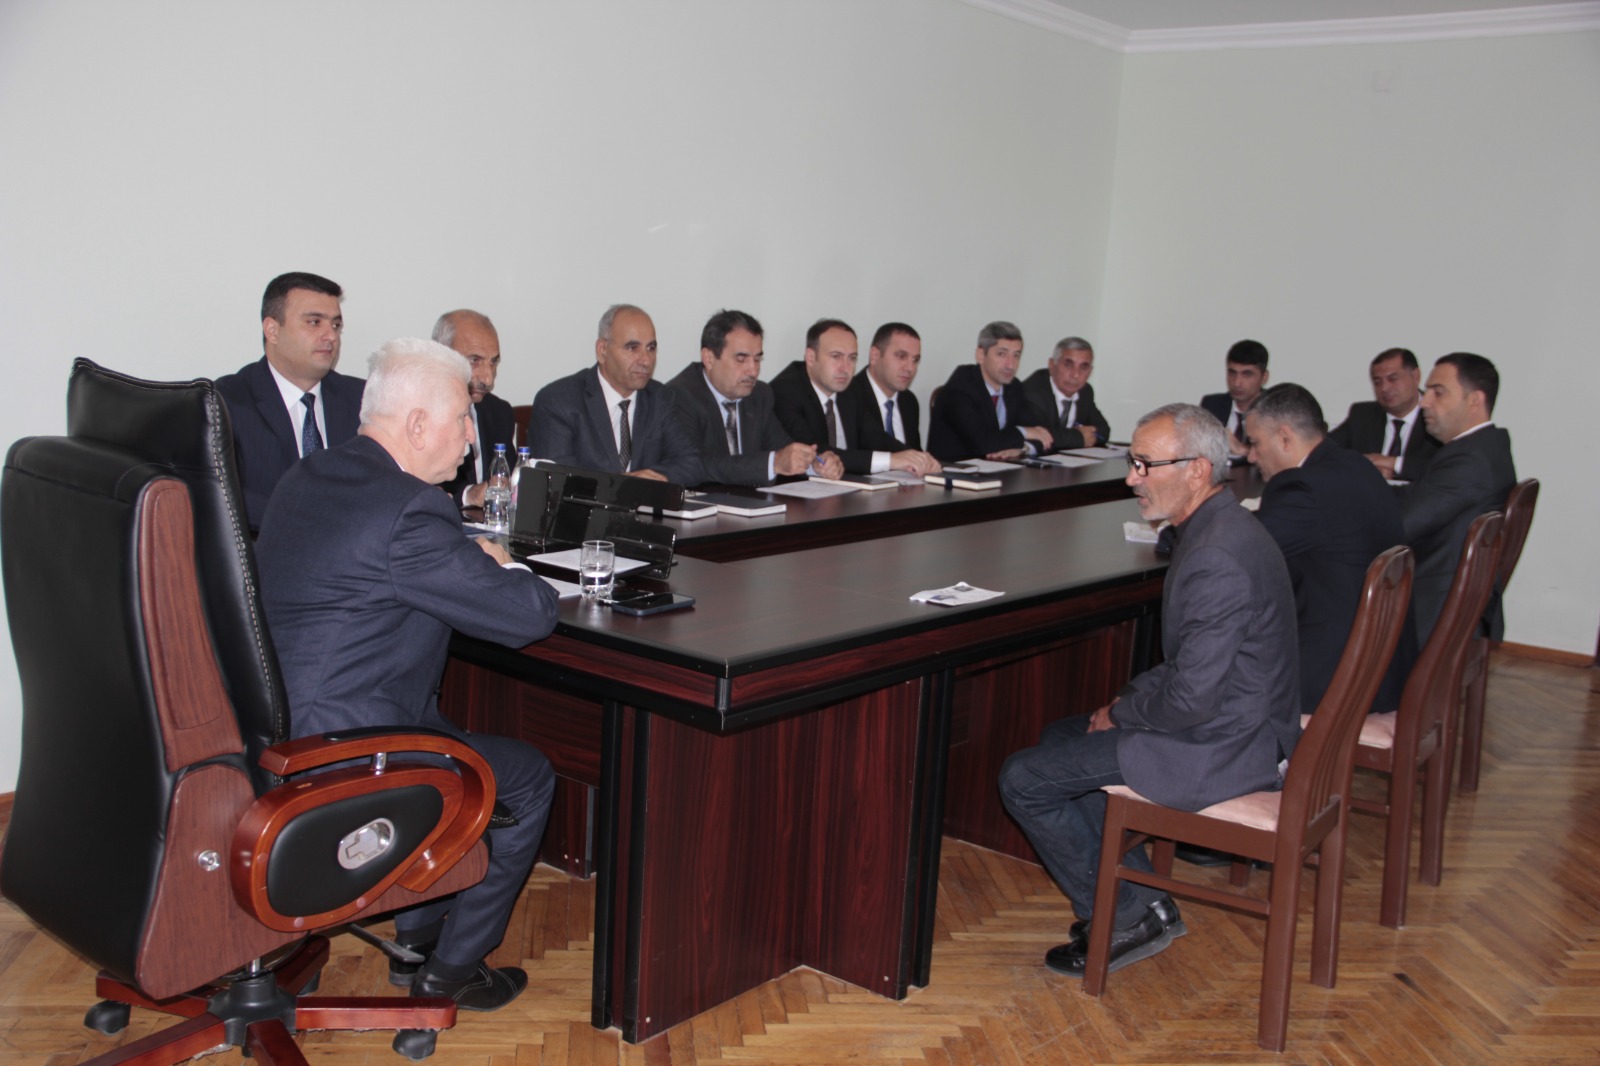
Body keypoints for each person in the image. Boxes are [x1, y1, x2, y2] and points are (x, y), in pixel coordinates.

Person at [255, 337, 560, 1011]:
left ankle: (420, 935)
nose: (470, 440)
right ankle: (451, 973)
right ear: (418, 425)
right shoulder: (408, 510)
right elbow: (528, 617)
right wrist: (504, 563)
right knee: (528, 776)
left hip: (276, 733)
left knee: (443, 731)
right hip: (345, 755)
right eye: (462, 421)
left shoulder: (309, 475)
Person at [999, 402, 1299, 977]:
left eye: (1144, 465)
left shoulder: (1216, 555)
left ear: (1197, 470)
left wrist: (1125, 713)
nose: (1131, 478)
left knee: (1023, 779)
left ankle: (1125, 918)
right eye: (1132, 462)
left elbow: (1191, 699)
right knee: (1062, 738)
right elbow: (1194, 665)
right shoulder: (1221, 527)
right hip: (1234, 721)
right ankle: (1145, 902)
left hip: (1224, 745)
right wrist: (1124, 704)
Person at [1246, 384, 1414, 718]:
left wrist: (1177, 529)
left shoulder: (1302, 487)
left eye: (1255, 442)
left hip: (1334, 678)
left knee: (1218, 673)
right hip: (1383, 667)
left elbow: (1240, 549)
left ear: (1284, 437)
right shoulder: (1355, 466)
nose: (1251, 456)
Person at [216, 272, 365, 532]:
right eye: (314, 322)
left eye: (335, 325)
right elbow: (225, 498)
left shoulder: (363, 398)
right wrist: (314, 521)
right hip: (269, 549)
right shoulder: (227, 401)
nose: (331, 336)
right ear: (272, 330)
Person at [1400, 353, 1517, 644]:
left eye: (1438, 393)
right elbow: (1420, 495)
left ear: (1474, 401)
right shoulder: (1486, 446)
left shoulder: (1469, 460)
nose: (1424, 402)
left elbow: (1402, 527)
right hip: (1448, 587)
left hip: (1431, 601)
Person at [529, 304, 702, 485]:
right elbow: (557, 478)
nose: (646, 360)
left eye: (651, 348)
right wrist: (622, 485)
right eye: (632, 348)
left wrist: (656, 478)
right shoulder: (558, 401)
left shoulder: (660, 398)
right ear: (602, 350)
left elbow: (691, 464)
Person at [664, 309, 835, 485]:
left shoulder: (759, 394)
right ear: (709, 359)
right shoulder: (679, 397)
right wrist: (774, 463)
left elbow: (782, 448)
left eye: (757, 359)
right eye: (741, 359)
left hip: (749, 499)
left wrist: (813, 464)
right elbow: (698, 464)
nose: (753, 371)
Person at [770, 319, 940, 476]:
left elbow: (874, 436)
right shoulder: (784, 391)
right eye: (836, 356)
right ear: (811, 357)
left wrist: (915, 457)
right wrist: (892, 460)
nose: (846, 368)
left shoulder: (850, 390)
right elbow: (814, 451)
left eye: (852, 358)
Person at [926, 321, 1054, 462]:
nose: (1010, 365)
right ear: (981, 355)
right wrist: (1023, 432)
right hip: (955, 470)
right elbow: (983, 443)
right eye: (1002, 354)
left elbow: (1042, 435)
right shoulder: (960, 388)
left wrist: (1023, 448)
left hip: (1000, 469)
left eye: (1016, 355)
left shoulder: (1014, 387)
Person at [434, 309, 516, 507]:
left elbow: (509, 485)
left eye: (493, 362)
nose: (488, 379)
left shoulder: (499, 412)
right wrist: (467, 496)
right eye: (474, 360)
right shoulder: (420, 414)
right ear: (440, 355)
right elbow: (410, 490)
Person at [1328, 347, 1441, 482]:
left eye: (1392, 379)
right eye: (1377, 382)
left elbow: (1448, 468)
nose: (1384, 388)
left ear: (1415, 376)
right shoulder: (1362, 415)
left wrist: (1394, 464)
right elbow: (1323, 452)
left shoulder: (1439, 415)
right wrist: (1365, 466)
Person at [844, 321, 928, 450]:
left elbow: (915, 454)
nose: (910, 368)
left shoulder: (909, 401)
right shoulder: (848, 397)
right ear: (875, 356)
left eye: (915, 360)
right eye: (901, 356)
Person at [1022, 337, 1111, 449]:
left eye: (1083, 367)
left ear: (1090, 371)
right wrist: (1080, 437)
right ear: (1052, 365)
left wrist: (1071, 437)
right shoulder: (1033, 392)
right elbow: (1040, 437)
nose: (1075, 374)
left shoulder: (1085, 392)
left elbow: (1103, 431)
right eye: (1068, 365)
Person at [1200, 339, 1269, 459]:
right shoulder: (1211, 405)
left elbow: (1280, 459)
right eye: (1232, 373)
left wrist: (1242, 449)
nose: (1237, 383)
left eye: (1247, 374)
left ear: (1264, 377)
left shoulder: (1276, 410)